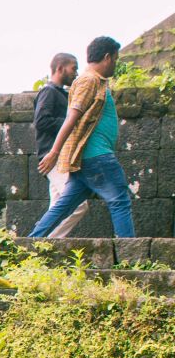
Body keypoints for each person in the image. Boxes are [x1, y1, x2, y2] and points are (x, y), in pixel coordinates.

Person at [29, 36, 135, 238]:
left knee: (63, 206)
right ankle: (130, 259)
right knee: (120, 201)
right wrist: (54, 152)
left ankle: (31, 242)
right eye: (115, 59)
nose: (115, 64)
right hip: (97, 155)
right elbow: (72, 118)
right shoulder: (89, 80)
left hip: (87, 158)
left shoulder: (94, 81)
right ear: (107, 57)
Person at [32, 52, 87, 237]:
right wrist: (70, 123)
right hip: (53, 157)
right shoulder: (48, 92)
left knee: (56, 207)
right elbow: (41, 122)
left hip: (60, 157)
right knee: (78, 205)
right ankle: (45, 242)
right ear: (60, 68)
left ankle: (41, 249)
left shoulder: (61, 94)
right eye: (74, 68)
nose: (76, 72)